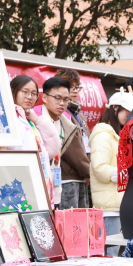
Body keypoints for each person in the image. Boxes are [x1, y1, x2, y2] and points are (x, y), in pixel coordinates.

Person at [35, 77, 90, 208]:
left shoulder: (67, 121)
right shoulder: (34, 118)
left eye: (65, 99)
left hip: (57, 182)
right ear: (44, 97)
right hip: (39, 181)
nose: (62, 103)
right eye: (57, 98)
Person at [89, 91, 133, 245]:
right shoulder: (104, 135)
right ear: (115, 108)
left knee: (116, 250)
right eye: (126, 111)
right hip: (109, 208)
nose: (128, 115)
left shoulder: (115, 134)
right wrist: (126, 174)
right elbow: (100, 169)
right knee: (111, 250)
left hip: (117, 204)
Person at [11, 75, 61, 200]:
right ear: (13, 91)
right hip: (19, 178)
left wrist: (38, 121)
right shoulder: (9, 117)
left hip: (39, 176)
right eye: (25, 92)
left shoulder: (30, 118)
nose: (30, 97)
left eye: (33, 94)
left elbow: (52, 149)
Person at [55, 68, 91, 152]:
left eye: (77, 87)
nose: (76, 91)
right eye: (71, 87)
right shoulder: (59, 112)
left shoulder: (78, 112)